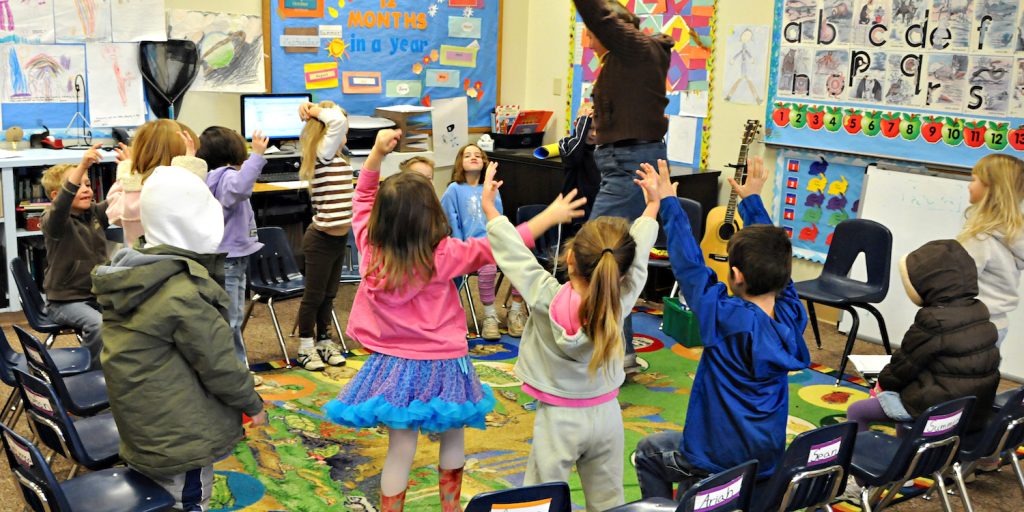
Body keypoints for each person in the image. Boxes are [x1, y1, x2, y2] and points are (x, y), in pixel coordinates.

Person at [323, 129, 535, 511]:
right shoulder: (445, 254)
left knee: (400, 450)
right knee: (453, 438)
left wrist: (374, 155)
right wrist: (548, 217)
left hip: (395, 364)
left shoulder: (371, 249)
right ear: (432, 213)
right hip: (446, 363)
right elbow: (497, 246)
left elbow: (361, 199)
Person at [483, 159, 659, 511]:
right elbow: (637, 262)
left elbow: (515, 256)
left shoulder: (546, 296)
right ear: (617, 268)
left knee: (538, 499)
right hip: (608, 415)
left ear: (570, 259)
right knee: (609, 500)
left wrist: (490, 207)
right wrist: (652, 206)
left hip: (558, 418)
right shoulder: (618, 300)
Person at [92, 164, 266, 511]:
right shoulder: (183, 293)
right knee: (188, 500)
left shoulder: (135, 270)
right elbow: (220, 365)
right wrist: (252, 404)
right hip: (180, 437)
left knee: (158, 494)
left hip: (145, 426)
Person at [633, 157, 811, 497]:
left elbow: (690, 267)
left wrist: (668, 202)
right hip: (765, 458)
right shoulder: (791, 313)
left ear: (737, 276)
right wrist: (754, 202)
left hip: (714, 458)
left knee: (649, 452)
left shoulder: (726, 317)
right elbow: (776, 260)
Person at [573, 0, 674, 371]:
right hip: (620, 164)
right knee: (613, 259)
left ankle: (610, 353)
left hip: (630, 165)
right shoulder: (620, 60)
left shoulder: (637, 50)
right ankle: (622, 351)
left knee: (596, 253)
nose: (586, 31)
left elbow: (598, 14)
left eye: (592, 26)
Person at [846, 240, 1001, 434]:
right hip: (972, 409)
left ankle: (864, 458)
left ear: (927, 283)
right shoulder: (979, 311)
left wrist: (881, 385)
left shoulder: (933, 319)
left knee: (858, 411)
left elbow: (903, 367)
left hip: (935, 409)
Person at [198, 126, 269, 370]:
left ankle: (238, 368)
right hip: (230, 258)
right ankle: (233, 371)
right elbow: (241, 188)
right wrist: (257, 156)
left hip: (231, 256)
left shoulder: (212, 176)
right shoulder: (226, 176)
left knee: (232, 317)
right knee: (231, 318)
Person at [39, 143, 108, 369]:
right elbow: (61, 207)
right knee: (98, 325)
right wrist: (82, 166)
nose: (87, 189)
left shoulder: (93, 213)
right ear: (57, 195)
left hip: (94, 295)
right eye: (79, 186)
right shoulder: (54, 221)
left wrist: (131, 168)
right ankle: (92, 376)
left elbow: (120, 198)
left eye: (88, 184)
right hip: (64, 301)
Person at [294, 100, 351, 371]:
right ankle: (305, 344)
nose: (345, 133)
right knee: (313, 296)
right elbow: (336, 122)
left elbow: (338, 122)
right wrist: (315, 111)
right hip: (321, 240)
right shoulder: (322, 154)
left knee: (328, 295)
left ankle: (323, 340)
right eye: (342, 130)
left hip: (339, 239)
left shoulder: (337, 157)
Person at [958, 154, 1024, 348]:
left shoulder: (980, 238)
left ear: (991, 188)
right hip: (997, 323)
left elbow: (959, 280)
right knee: (982, 373)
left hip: (970, 324)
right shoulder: (1013, 235)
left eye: (974, 180)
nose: (969, 186)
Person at [106, 119, 206, 247]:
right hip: (175, 264)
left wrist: (126, 174)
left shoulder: (133, 193)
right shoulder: (178, 191)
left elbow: (114, 214)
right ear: (180, 158)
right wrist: (189, 171)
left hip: (140, 262)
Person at [441, 144, 506, 340]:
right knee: (487, 268)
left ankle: (516, 310)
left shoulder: (490, 188)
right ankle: (490, 316)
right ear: (460, 162)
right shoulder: (454, 189)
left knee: (521, 260)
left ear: (484, 162)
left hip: (492, 243)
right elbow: (450, 222)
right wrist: (460, 249)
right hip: (468, 247)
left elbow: (499, 217)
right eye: (468, 155)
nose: (474, 157)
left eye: (478, 155)